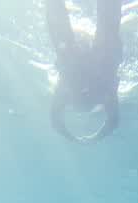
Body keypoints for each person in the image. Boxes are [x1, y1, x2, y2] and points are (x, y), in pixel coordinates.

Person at [46, 0, 123, 143]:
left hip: (89, 67)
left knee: (108, 23)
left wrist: (83, 138)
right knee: (58, 23)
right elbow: (55, 121)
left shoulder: (104, 97)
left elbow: (113, 122)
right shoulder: (65, 94)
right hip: (82, 67)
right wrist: (82, 138)